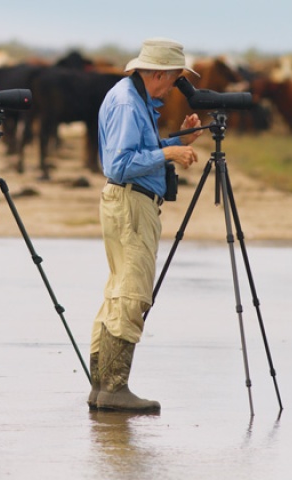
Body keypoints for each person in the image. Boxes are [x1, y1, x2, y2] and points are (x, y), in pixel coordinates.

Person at [88, 38, 203, 412]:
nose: (174, 88)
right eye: (173, 79)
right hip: (131, 202)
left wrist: (178, 139)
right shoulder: (126, 103)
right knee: (133, 292)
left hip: (129, 201)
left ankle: (102, 386)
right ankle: (114, 388)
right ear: (157, 73)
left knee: (117, 290)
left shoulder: (131, 97)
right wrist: (169, 152)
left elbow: (138, 151)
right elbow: (119, 165)